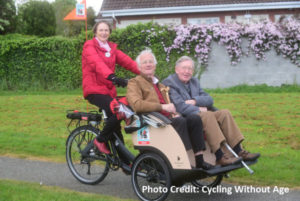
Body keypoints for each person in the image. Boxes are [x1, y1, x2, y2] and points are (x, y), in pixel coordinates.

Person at [162, 56, 260, 166]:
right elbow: (181, 107)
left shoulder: (194, 81)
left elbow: (209, 100)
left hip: (201, 113)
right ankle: (219, 157)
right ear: (176, 69)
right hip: (188, 118)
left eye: (190, 69)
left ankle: (239, 151)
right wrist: (199, 108)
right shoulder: (169, 83)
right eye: (184, 68)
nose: (187, 71)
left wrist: (195, 101)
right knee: (208, 115)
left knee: (224, 113)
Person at [126, 49, 214, 170]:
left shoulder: (161, 85)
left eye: (151, 61)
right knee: (181, 122)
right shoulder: (134, 83)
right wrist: (162, 107)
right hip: (153, 122)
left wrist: (176, 112)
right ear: (139, 66)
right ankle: (182, 160)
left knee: (194, 119)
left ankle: (199, 160)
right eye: (145, 62)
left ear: (155, 65)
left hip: (167, 118)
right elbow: (137, 105)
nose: (148, 64)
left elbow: (172, 104)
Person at [81, 20, 140, 154]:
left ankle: (125, 163)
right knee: (119, 110)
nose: (104, 32)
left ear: (110, 32)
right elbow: (97, 63)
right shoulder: (89, 46)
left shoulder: (111, 49)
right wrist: (112, 77)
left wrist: (144, 73)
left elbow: (127, 62)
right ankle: (100, 141)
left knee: (115, 125)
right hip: (94, 90)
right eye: (101, 30)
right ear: (95, 32)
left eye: (106, 30)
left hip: (108, 92)